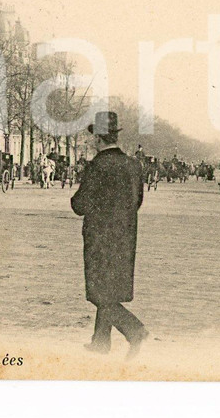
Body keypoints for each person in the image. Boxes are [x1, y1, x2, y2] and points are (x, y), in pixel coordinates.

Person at [70, 111, 148, 358]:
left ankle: (135, 330)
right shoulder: (133, 165)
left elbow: (80, 205)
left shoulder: (97, 166)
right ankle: (101, 341)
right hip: (125, 237)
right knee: (111, 290)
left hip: (99, 238)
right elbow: (137, 201)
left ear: (98, 139)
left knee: (99, 293)